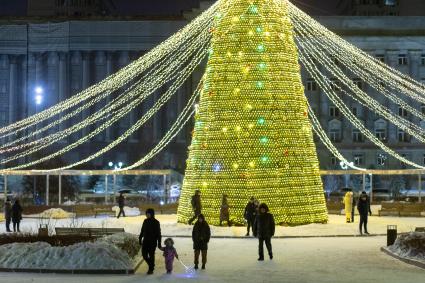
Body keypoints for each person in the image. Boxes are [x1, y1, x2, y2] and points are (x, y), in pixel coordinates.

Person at [139, 208, 162, 275]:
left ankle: (151, 269)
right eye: (146, 214)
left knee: (151, 255)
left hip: (152, 242)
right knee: (144, 255)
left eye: (148, 214)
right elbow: (142, 230)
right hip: (145, 241)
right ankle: (151, 265)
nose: (147, 215)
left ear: (152, 214)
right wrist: (140, 238)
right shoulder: (145, 221)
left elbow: (159, 234)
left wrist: (159, 243)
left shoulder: (156, 222)